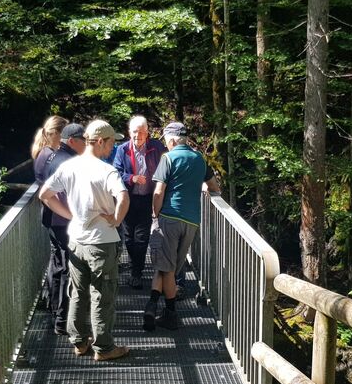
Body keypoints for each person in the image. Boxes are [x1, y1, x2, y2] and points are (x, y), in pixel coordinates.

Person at [38, 120, 131, 361]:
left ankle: (79, 342)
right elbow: (123, 196)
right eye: (111, 142)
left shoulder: (70, 167)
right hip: (101, 242)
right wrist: (116, 219)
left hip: (76, 240)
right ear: (100, 141)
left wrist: (71, 216)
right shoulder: (105, 170)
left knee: (78, 292)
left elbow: (44, 195)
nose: (112, 148)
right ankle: (104, 348)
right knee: (102, 293)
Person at [144, 122, 220, 331]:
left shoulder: (168, 158)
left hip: (169, 217)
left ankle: (169, 315)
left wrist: (154, 214)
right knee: (168, 267)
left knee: (166, 269)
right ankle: (152, 306)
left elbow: (159, 191)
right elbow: (214, 187)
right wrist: (202, 187)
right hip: (192, 221)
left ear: (171, 140)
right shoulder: (199, 159)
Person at [35, 122, 86, 336]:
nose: (87, 145)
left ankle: (55, 310)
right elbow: (51, 194)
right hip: (64, 222)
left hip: (52, 221)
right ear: (73, 141)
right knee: (68, 268)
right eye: (84, 140)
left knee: (58, 265)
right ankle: (62, 319)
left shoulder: (50, 157)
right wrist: (72, 216)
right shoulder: (69, 162)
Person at [112, 115, 167, 289]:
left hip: (147, 199)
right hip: (127, 198)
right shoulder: (122, 150)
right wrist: (131, 178)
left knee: (142, 238)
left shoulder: (156, 147)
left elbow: (168, 165)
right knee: (128, 237)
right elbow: (115, 172)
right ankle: (134, 266)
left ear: (147, 133)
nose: (138, 136)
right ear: (129, 132)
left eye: (142, 132)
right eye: (135, 132)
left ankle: (137, 272)